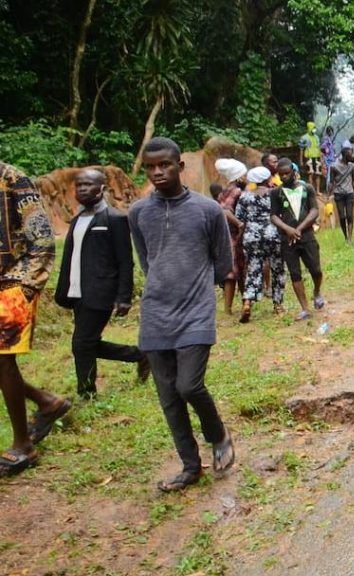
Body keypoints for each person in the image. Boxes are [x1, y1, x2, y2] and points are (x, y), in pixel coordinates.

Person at [128, 137, 235, 492]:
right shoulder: (138, 213)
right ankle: (190, 466)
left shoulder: (207, 210)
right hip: (156, 314)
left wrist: (196, 287)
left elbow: (223, 262)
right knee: (169, 397)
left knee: (189, 385)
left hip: (196, 312)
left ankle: (218, 435)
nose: (157, 172)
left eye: (165, 165)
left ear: (180, 166)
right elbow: (147, 261)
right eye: (150, 167)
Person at [0, 162, 70, 477]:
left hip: (12, 283)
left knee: (3, 359)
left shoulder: (12, 179)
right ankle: (47, 402)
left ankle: (23, 445)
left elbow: (41, 238)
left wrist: (27, 285)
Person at [55, 168, 148, 399]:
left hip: (100, 292)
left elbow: (125, 261)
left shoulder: (114, 219)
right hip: (76, 292)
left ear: (102, 188)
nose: (82, 189)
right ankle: (141, 355)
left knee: (81, 344)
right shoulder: (77, 219)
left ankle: (87, 394)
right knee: (87, 343)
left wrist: (124, 297)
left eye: (88, 185)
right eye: (79, 185)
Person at [270, 157, 324, 320]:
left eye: (286, 173)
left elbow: (314, 210)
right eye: (280, 174)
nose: (283, 177)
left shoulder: (307, 188)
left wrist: (299, 229)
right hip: (287, 239)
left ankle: (317, 291)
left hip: (307, 236)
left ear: (293, 172)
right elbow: (273, 216)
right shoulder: (276, 192)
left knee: (316, 270)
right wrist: (287, 229)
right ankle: (305, 308)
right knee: (295, 273)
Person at [236, 166, 286, 322]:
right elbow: (283, 214)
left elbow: (240, 218)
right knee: (277, 269)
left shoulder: (245, 197)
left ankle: (247, 302)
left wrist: (239, 238)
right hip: (273, 235)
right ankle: (278, 305)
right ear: (267, 179)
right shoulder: (275, 194)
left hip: (252, 236)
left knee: (253, 268)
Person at [214, 158, 247, 314]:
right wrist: (240, 224)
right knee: (234, 272)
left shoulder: (225, 190)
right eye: (244, 175)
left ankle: (240, 305)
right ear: (238, 177)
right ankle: (230, 308)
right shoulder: (236, 191)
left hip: (229, 234)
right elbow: (225, 211)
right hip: (233, 235)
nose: (246, 177)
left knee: (238, 270)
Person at [330, 146, 354, 243]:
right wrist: (329, 194)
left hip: (349, 193)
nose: (353, 156)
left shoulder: (352, 166)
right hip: (338, 193)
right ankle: (346, 237)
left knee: (350, 215)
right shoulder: (334, 166)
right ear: (345, 155)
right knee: (342, 216)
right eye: (351, 154)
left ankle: (349, 239)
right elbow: (331, 181)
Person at [298, 122, 322, 194]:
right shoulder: (304, 137)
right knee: (310, 173)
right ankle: (311, 191)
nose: (314, 129)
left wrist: (321, 159)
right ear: (310, 128)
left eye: (315, 127)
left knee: (318, 174)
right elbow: (301, 149)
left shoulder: (316, 137)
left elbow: (319, 148)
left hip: (317, 157)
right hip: (309, 157)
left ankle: (318, 191)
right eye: (313, 127)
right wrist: (301, 160)